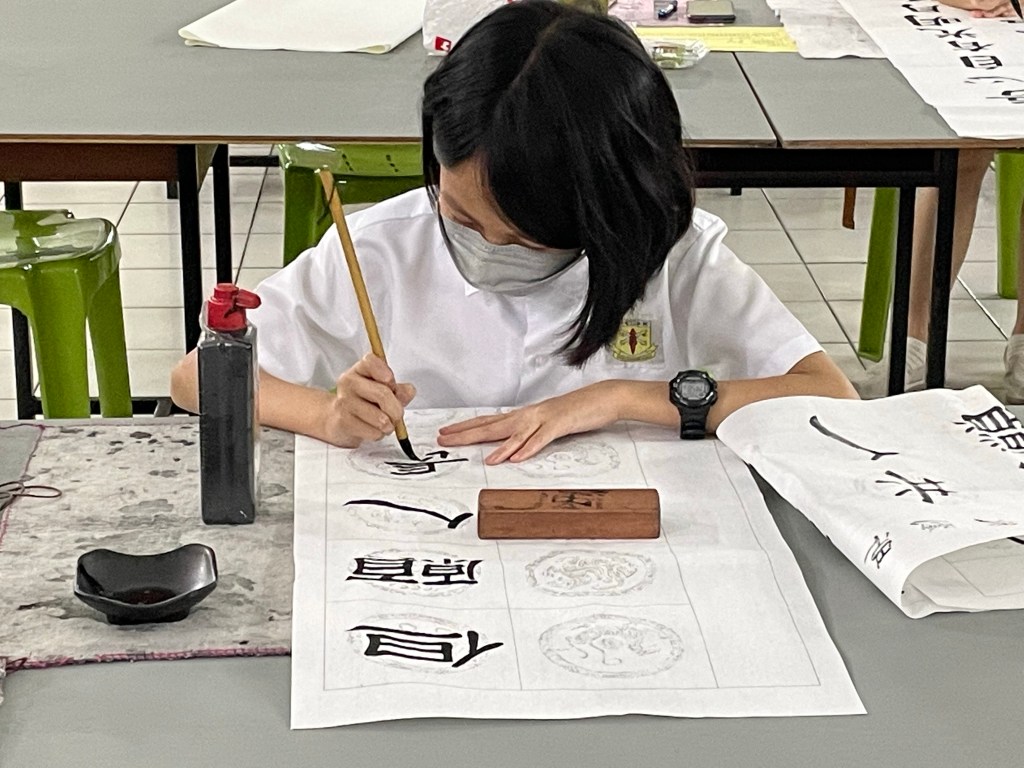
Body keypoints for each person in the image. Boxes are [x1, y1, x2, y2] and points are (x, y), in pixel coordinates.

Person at [170, 0, 856, 464]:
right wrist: (325, 415)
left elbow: (830, 394)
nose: (489, 247)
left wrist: (618, 398)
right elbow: (196, 377)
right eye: (464, 218)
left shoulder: (673, 255)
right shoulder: (384, 247)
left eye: (529, 238)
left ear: (606, 211)